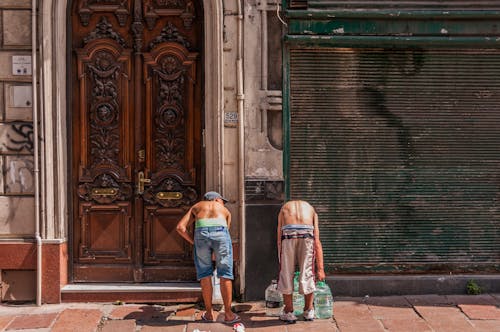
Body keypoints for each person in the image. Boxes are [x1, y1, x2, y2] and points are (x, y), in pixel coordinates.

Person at [176, 191, 240, 324]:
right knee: (225, 274)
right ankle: (228, 314)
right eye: (222, 200)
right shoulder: (225, 210)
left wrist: (194, 242)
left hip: (201, 234)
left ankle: (209, 314)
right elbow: (225, 232)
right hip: (221, 233)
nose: (223, 203)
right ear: (216, 200)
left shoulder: (197, 206)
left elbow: (180, 228)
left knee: (205, 274)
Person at [276, 200, 326, 323]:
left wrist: (281, 260)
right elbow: (317, 242)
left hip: (288, 234)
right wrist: (320, 269)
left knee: (286, 273)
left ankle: (288, 312)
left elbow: (278, 237)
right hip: (307, 233)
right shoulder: (311, 209)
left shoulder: (284, 208)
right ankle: (309, 311)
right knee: (307, 271)